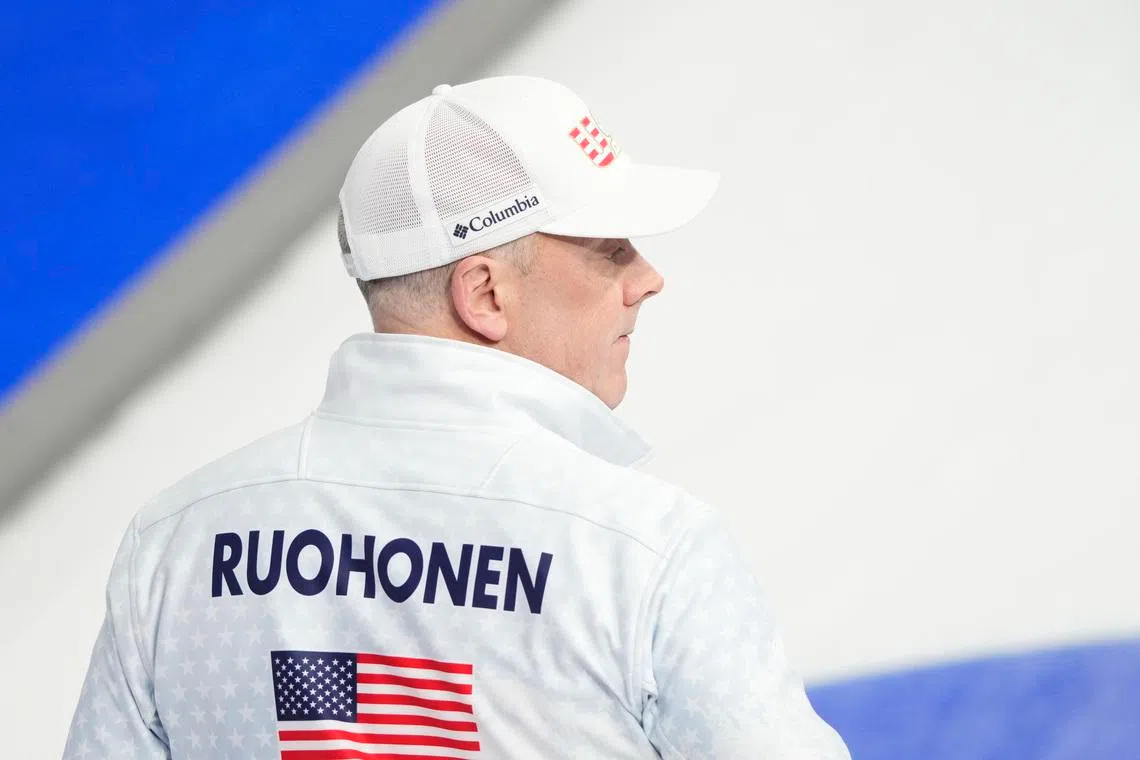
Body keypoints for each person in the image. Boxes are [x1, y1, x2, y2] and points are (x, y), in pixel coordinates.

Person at [63, 76, 850, 759]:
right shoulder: (642, 550)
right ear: (484, 295)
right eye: (609, 247)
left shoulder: (174, 545)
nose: (647, 278)